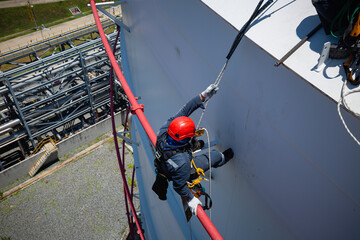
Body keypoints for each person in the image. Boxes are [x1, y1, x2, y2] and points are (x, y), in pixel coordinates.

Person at [152, 84, 234, 216]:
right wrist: (191, 199)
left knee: (198, 144)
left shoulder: (165, 130)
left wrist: (203, 96)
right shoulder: (183, 163)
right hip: (179, 169)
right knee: (214, 156)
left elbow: (185, 110)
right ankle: (224, 157)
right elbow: (179, 186)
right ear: (185, 141)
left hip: (167, 162)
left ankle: (198, 146)